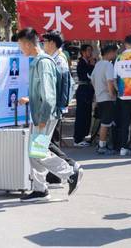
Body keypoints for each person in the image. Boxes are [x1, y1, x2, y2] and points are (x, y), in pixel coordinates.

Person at [16, 28, 82, 202]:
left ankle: (70, 173)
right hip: (39, 115)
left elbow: (49, 95)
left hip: (44, 116)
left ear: (27, 44)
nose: (20, 49)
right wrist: (30, 99)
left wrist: (43, 119)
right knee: (34, 153)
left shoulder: (43, 63)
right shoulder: (37, 61)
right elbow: (41, 92)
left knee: (38, 152)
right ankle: (40, 189)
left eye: (20, 45)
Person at [41, 30, 81, 181]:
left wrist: (60, 106)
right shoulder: (54, 58)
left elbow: (63, 86)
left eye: (45, 42)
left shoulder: (59, 60)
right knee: (51, 141)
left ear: (52, 43)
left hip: (54, 108)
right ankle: (56, 174)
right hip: (54, 107)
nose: (43, 45)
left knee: (48, 142)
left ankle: (70, 166)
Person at [91, 44, 118, 154]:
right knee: (106, 123)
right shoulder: (108, 65)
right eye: (115, 53)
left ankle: (103, 144)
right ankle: (102, 146)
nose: (116, 55)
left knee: (105, 121)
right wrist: (112, 94)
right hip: (107, 97)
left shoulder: (98, 64)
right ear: (110, 53)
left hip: (100, 97)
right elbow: (110, 81)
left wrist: (97, 92)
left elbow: (92, 79)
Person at [73, 44, 95, 147]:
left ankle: (82, 137)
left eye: (91, 50)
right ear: (83, 52)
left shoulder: (88, 62)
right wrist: (91, 66)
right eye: (88, 50)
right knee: (81, 115)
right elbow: (87, 76)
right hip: (83, 91)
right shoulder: (81, 63)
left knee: (87, 115)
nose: (90, 53)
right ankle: (77, 139)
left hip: (88, 91)